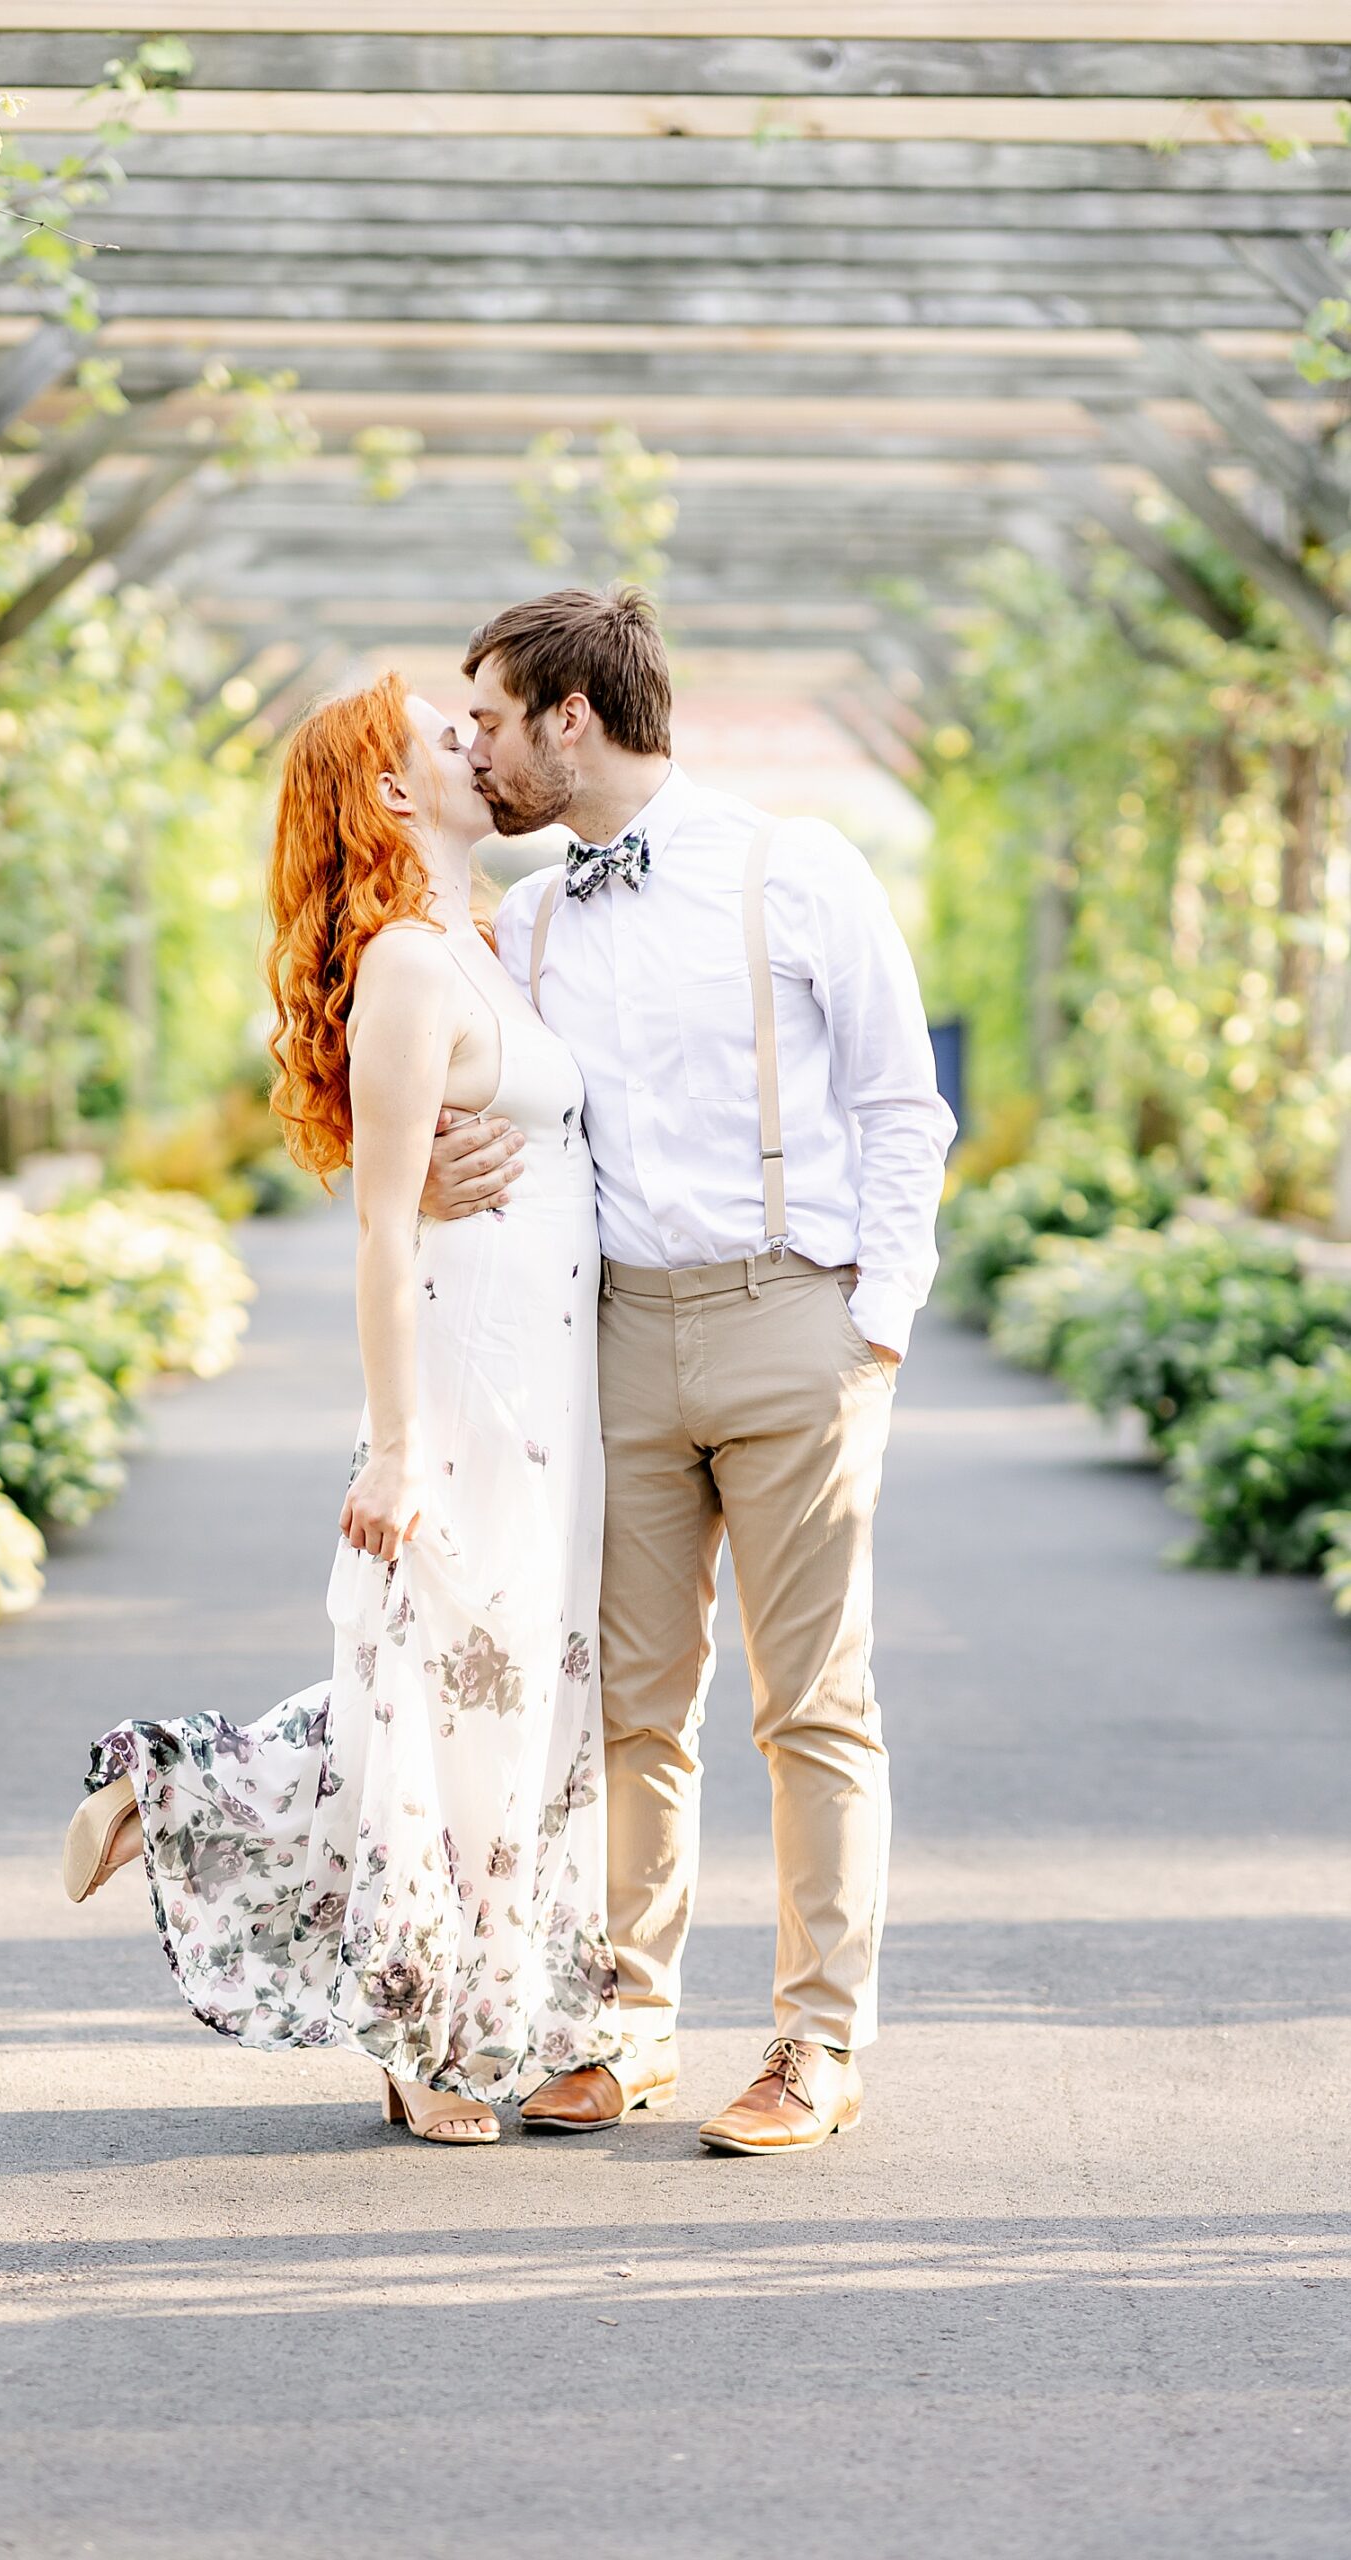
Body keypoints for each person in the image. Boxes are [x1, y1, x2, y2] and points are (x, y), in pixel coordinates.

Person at [422, 587, 955, 2155]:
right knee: (629, 1708)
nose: (483, 754)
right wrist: (440, 1169)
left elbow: (901, 1103)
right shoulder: (521, 918)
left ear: (571, 719)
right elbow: (472, 1097)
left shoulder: (797, 868)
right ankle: (628, 2021)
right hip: (618, 1341)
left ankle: (815, 2046)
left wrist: (879, 1325)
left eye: (498, 724)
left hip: (797, 1319)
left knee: (814, 1705)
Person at [62, 674, 620, 2145]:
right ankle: (425, 2036)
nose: (480, 749)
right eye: (452, 740)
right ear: (390, 795)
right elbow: (380, 1229)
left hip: (553, 1390)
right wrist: (397, 1445)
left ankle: (182, 1799)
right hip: (466, 1382)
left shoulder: (487, 943)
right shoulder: (410, 972)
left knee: (507, 1696)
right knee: (444, 1694)